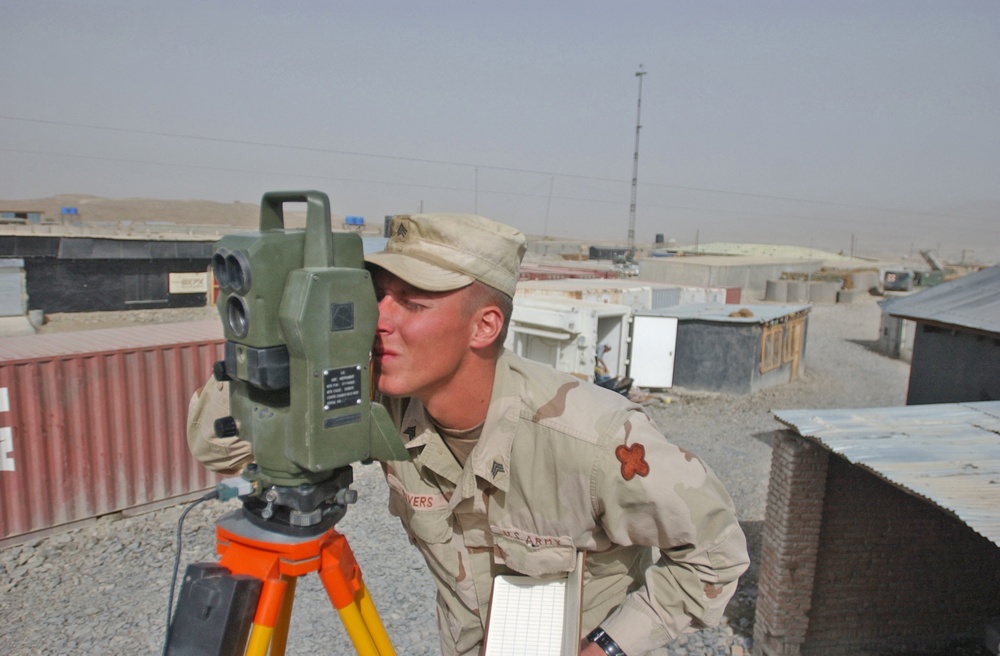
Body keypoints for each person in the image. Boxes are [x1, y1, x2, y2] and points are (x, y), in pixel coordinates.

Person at [188, 213, 749, 656]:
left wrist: (603, 648)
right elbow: (217, 447)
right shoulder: (377, 399)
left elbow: (717, 555)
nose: (379, 319)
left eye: (411, 302)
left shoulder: (596, 437)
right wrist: (276, 339)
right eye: (375, 296)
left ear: (485, 326)